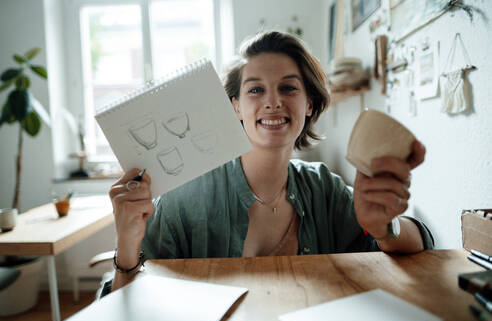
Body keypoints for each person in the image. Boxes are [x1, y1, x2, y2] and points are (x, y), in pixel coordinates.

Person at [102, 31, 433, 296]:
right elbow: (121, 301)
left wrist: (384, 228)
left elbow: (421, 240)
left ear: (309, 104)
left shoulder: (323, 187)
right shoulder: (185, 196)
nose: (273, 102)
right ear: (235, 107)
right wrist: (127, 245)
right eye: (255, 89)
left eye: (288, 88)